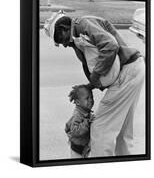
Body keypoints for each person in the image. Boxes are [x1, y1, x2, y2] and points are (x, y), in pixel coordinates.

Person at [44, 11, 145, 156]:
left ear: (64, 28)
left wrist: (96, 76)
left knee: (100, 129)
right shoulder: (79, 32)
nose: (63, 45)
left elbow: (110, 45)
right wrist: (89, 86)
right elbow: (103, 64)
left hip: (126, 74)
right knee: (123, 131)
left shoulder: (82, 25)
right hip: (134, 69)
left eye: (60, 39)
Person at [65, 85, 95, 158]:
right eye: (87, 98)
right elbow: (75, 131)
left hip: (84, 147)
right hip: (77, 149)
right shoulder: (77, 115)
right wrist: (87, 122)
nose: (90, 100)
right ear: (78, 102)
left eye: (92, 98)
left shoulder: (85, 111)